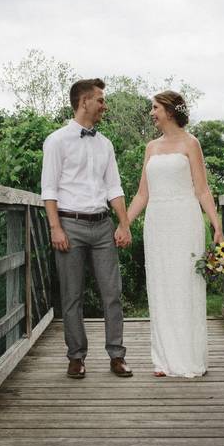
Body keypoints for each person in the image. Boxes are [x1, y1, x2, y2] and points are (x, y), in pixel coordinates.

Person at [40, 78, 134, 379]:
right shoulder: (56, 141)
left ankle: (116, 356)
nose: (104, 106)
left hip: (103, 225)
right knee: (72, 296)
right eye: (101, 100)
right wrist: (56, 228)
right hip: (70, 225)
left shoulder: (105, 144)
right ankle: (76, 357)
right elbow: (49, 189)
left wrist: (124, 223)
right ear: (84, 102)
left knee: (112, 294)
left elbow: (114, 186)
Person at [125, 91, 224, 377]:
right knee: (160, 285)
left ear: (169, 110)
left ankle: (190, 358)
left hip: (185, 219)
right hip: (157, 221)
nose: (152, 113)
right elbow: (143, 193)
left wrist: (216, 226)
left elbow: (202, 190)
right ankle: (164, 359)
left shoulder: (191, 143)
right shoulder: (150, 147)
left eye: (155, 108)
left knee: (185, 285)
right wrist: (125, 223)